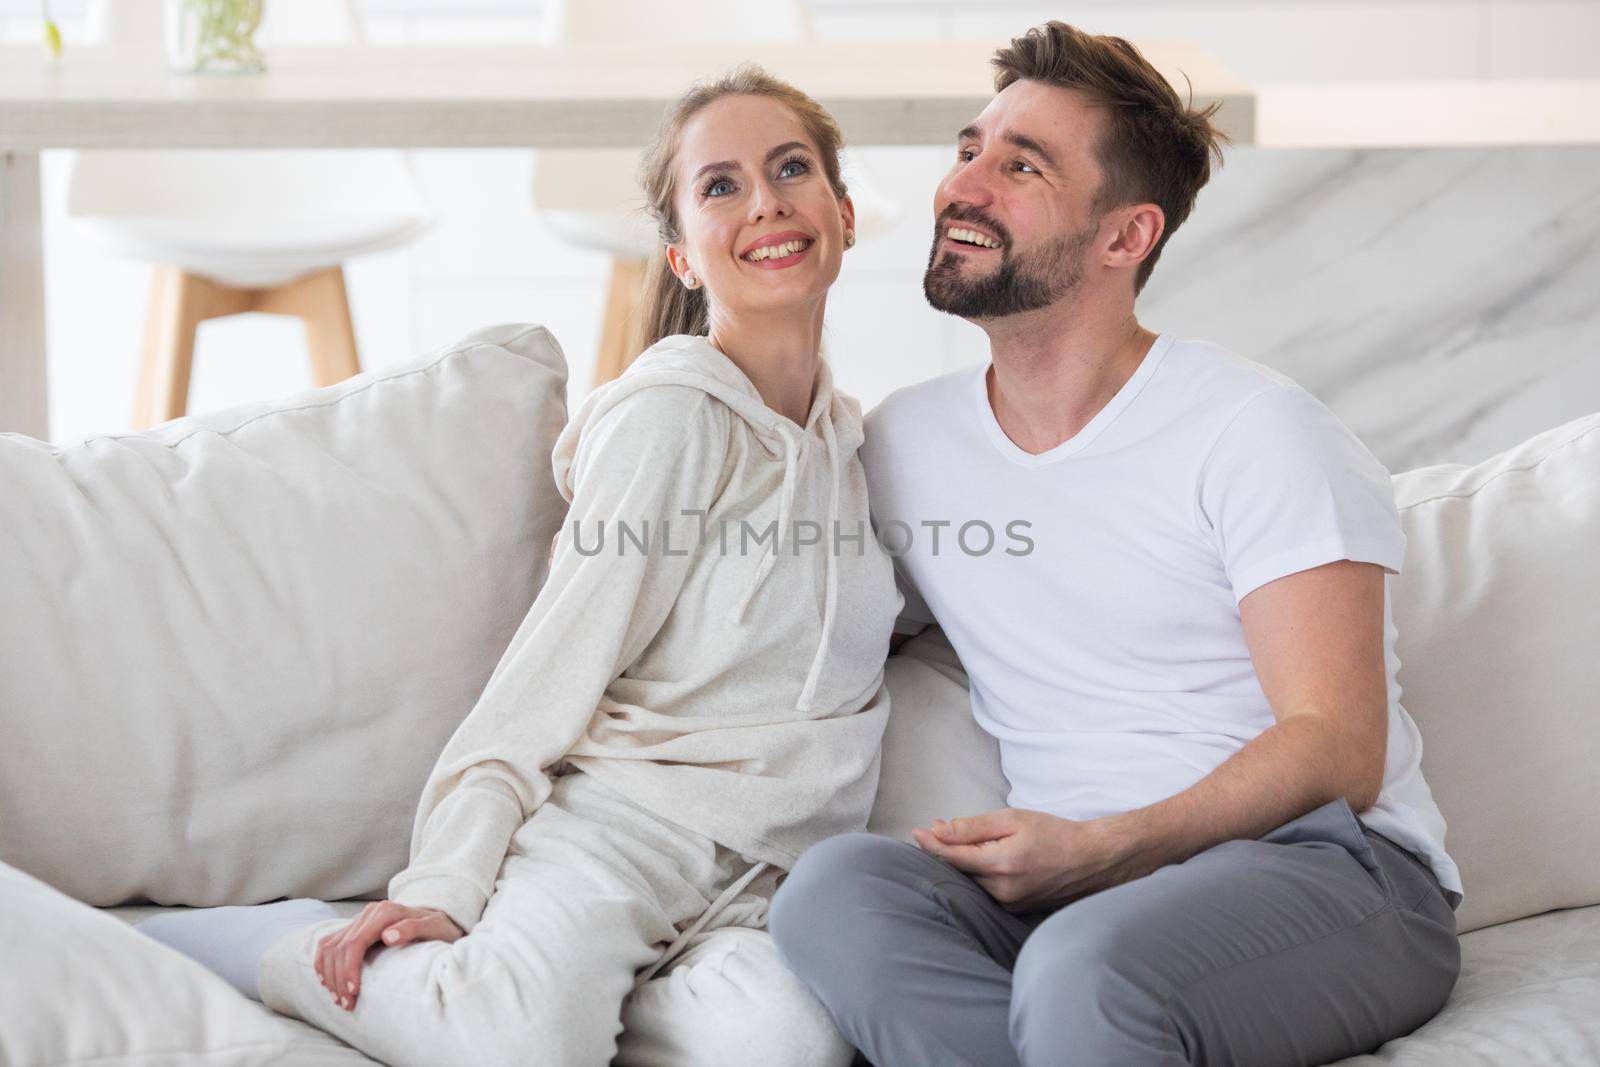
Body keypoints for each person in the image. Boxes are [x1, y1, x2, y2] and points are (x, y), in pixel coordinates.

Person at [137, 66, 895, 1067]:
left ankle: (562, 989)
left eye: (791, 167)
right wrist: (442, 882)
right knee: (527, 1044)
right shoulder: (674, 419)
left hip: (761, 878)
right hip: (624, 834)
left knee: (788, 1045)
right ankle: (256, 943)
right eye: (719, 185)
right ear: (682, 255)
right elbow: (545, 673)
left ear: (841, 210)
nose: (765, 201)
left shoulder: (854, 448)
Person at [769, 21, 1463, 1067]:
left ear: (1124, 237)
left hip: (1331, 874)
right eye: (969, 149)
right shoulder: (906, 442)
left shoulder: (1257, 431)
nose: (965, 184)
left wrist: (1100, 848)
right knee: (832, 892)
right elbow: (808, 618)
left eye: (1021, 166)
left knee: (1086, 967)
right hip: (1075, 897)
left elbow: (1336, 747)